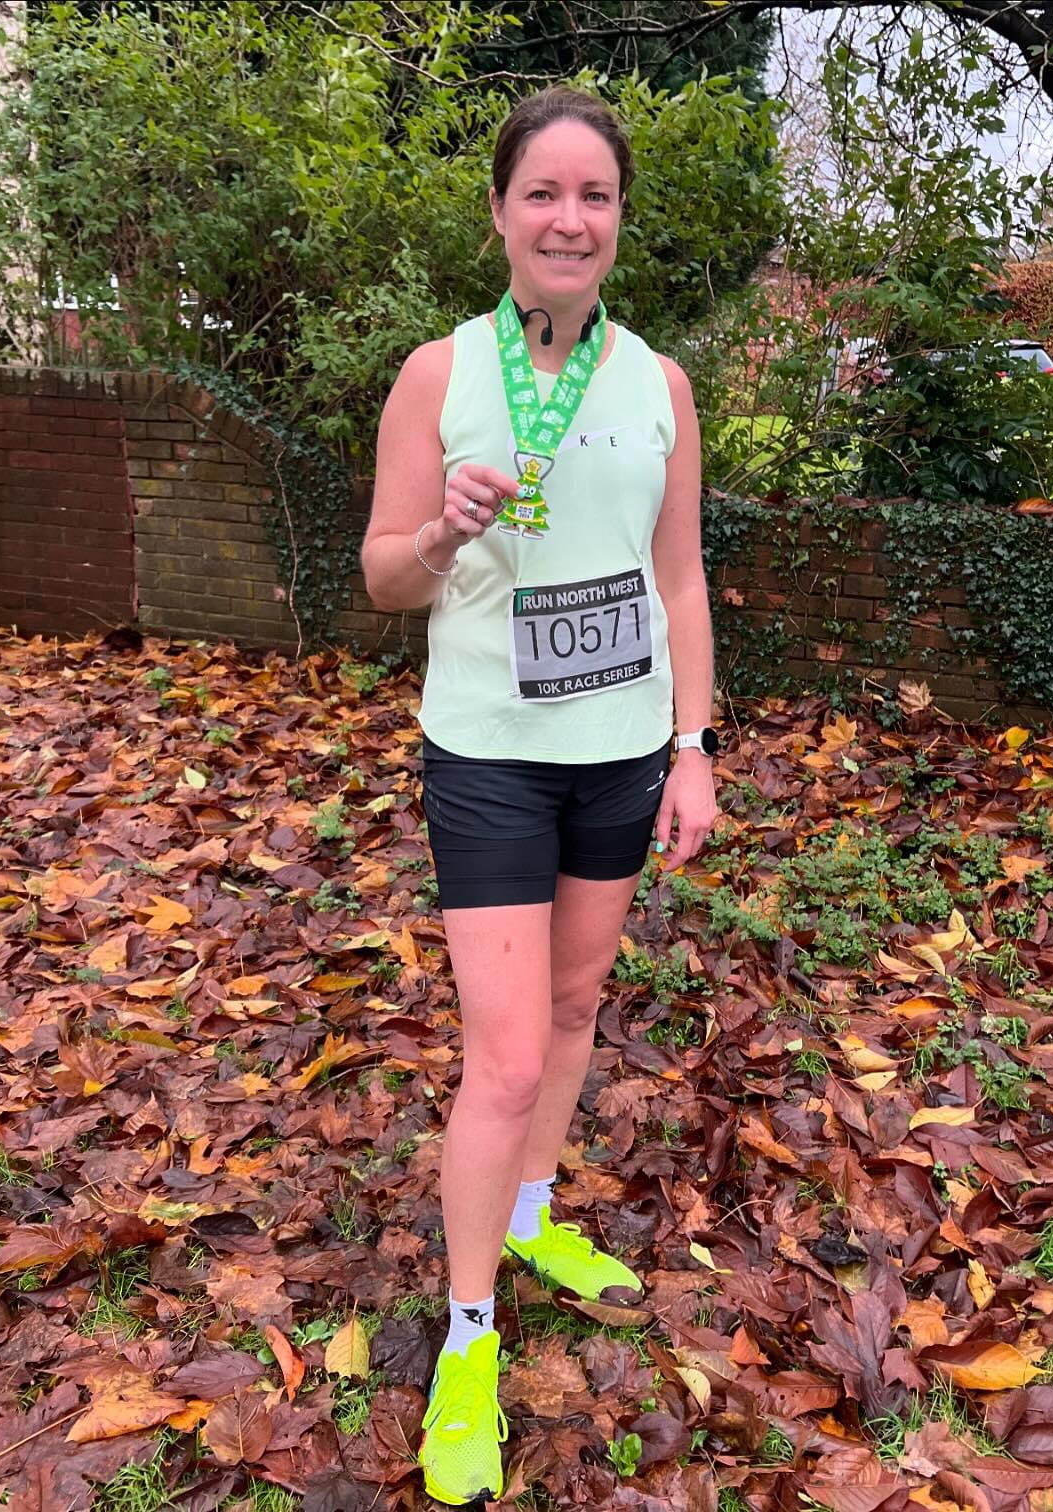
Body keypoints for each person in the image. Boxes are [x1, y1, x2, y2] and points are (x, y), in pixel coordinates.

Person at [360, 86, 718, 1506]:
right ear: (503, 214)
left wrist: (692, 744)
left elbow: (679, 578)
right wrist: (441, 532)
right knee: (505, 1058)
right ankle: (467, 1336)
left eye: (596, 196)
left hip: (621, 752)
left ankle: (531, 1213)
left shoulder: (662, 385)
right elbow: (381, 578)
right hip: (491, 754)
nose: (571, 220)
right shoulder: (438, 374)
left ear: (618, 219)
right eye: (545, 194)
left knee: (574, 1014)